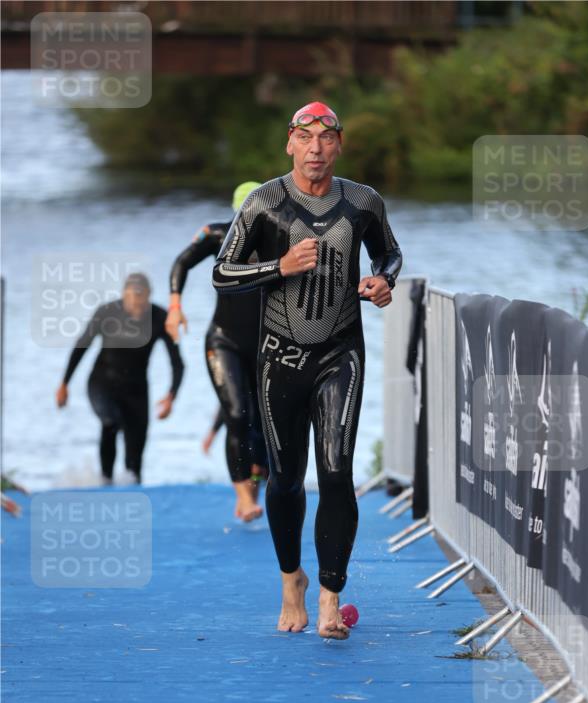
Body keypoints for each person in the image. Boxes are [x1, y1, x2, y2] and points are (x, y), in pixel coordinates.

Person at [213, 101, 402, 640]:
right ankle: (291, 579)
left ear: (339, 144)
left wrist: (383, 281)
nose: (315, 147)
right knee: (287, 478)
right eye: (305, 136)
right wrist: (280, 265)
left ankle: (329, 597)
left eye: (326, 137)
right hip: (280, 358)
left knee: (337, 473)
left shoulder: (363, 202)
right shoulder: (264, 203)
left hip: (341, 354)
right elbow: (222, 272)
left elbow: (388, 254)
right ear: (289, 143)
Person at [167, 182, 268, 522]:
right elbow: (182, 261)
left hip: (268, 344)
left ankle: (253, 486)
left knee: (266, 424)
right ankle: (243, 495)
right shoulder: (217, 235)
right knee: (237, 415)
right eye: (244, 214)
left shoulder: (281, 238)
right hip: (223, 340)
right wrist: (174, 305)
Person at [55, 273, 184, 484]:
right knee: (111, 422)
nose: (136, 305)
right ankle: (105, 481)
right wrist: (64, 383)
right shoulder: (107, 313)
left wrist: (172, 395)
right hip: (101, 384)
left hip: (137, 391)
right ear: (124, 295)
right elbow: (81, 345)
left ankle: (133, 491)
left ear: (149, 295)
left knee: (135, 453)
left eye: (141, 299)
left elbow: (177, 362)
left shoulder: (160, 317)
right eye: (132, 298)